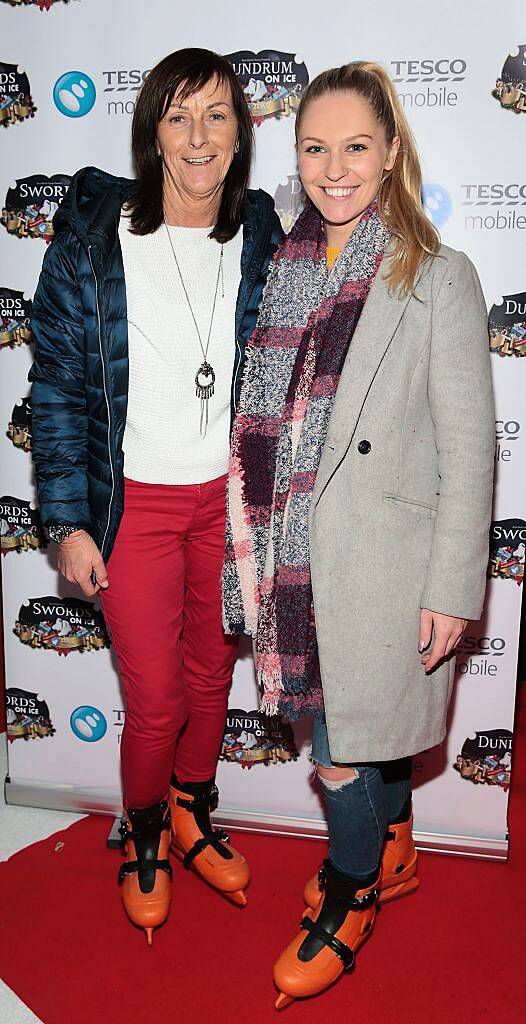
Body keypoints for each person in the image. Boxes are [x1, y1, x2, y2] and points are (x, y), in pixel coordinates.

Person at [222, 61, 494, 1007]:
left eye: (355, 147)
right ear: (295, 159)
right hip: (297, 562)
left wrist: (455, 588)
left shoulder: (440, 278)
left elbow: (471, 452)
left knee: (344, 747)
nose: (333, 168)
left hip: (387, 563)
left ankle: (351, 891)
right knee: (355, 739)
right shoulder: (286, 272)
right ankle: (393, 842)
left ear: (389, 158)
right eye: (314, 148)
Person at [29, 47, 282, 945]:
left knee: (214, 676)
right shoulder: (98, 238)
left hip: (229, 504)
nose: (200, 136)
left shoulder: (261, 233)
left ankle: (190, 808)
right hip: (132, 506)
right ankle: (141, 836)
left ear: (242, 133)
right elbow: (57, 383)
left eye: (218, 115)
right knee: (158, 700)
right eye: (179, 116)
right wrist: (64, 518)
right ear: (153, 134)